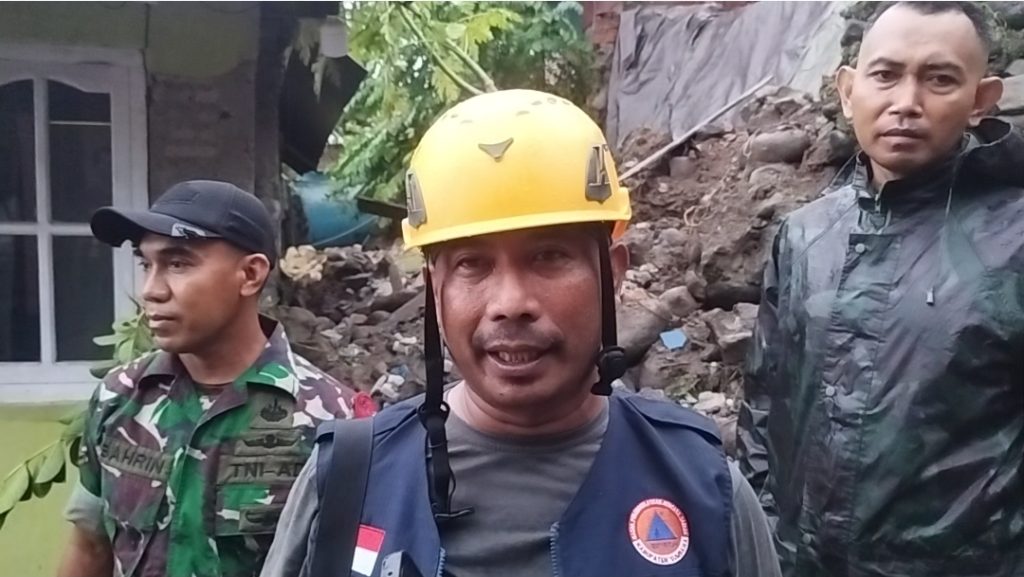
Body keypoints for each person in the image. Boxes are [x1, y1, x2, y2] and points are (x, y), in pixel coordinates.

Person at [260, 89, 781, 577]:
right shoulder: (348, 482)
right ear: (435, 289)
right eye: (471, 264)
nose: (510, 304)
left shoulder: (705, 490)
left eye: (549, 256)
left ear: (614, 273)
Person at [737, 2, 1024, 576]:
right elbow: (765, 408)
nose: (906, 103)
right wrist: (761, 541)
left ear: (981, 100)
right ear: (848, 91)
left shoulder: (1013, 238)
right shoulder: (806, 235)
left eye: (939, 79)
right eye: (885, 75)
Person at [58, 180, 374, 577]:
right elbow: (90, 546)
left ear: (250, 274)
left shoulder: (333, 423)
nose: (150, 291)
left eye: (178, 263)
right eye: (146, 264)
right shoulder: (118, 399)